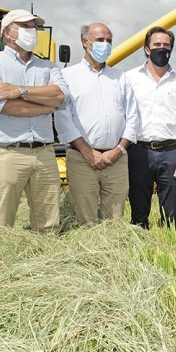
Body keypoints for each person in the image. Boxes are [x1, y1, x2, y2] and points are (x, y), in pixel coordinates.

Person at [0, 9, 69, 234]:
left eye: (34, 27)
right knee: (0, 227)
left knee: (49, 227)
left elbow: (60, 97)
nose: (32, 31)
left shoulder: (49, 67)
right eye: (25, 26)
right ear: (7, 33)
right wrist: (46, 105)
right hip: (5, 153)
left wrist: (18, 90)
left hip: (44, 154)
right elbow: (4, 106)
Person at [54, 23, 138, 224]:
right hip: (82, 159)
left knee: (115, 221)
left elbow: (133, 117)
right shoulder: (67, 76)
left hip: (116, 160)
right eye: (100, 40)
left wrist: (118, 150)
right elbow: (63, 118)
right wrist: (87, 152)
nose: (106, 44)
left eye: (109, 40)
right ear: (85, 42)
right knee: (85, 220)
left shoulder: (120, 77)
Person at [125, 26, 176, 230]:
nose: (161, 49)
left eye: (166, 45)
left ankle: (170, 251)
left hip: (171, 152)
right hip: (138, 151)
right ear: (147, 49)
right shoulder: (130, 78)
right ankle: (140, 251)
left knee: (171, 214)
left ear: (171, 49)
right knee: (138, 212)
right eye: (157, 45)